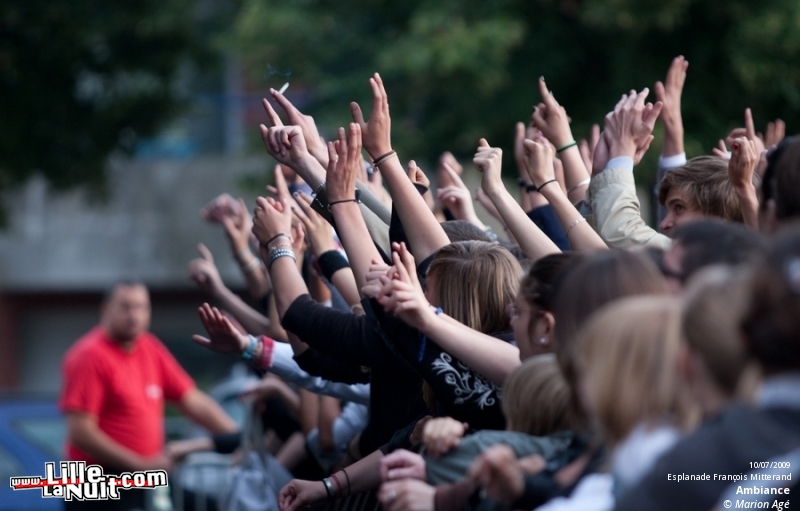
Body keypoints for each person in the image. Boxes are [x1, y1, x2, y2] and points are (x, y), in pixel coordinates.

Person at [59, 281, 238, 511]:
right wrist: (141, 466)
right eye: (125, 307)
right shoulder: (90, 355)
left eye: (141, 307)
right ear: (106, 310)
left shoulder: (149, 348)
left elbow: (191, 399)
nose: (134, 315)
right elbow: (81, 433)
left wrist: (237, 437)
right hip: (96, 482)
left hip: (143, 477)